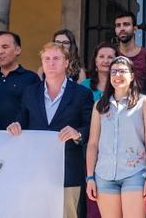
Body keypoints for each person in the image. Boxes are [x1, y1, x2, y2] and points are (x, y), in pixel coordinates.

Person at [7, 42, 94, 218]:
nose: (51, 63)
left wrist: (78, 133)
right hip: (36, 173)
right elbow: (21, 121)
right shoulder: (30, 92)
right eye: (47, 59)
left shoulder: (82, 94)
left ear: (66, 62)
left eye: (56, 58)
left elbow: (91, 127)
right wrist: (14, 125)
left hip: (68, 173)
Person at [85, 56, 146, 218]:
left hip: (135, 174)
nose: (117, 75)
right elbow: (93, 143)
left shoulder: (144, 103)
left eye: (122, 71)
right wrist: (90, 177)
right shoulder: (100, 105)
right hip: (104, 175)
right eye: (114, 72)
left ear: (132, 75)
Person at [0, 31, 39, 129]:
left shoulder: (31, 78)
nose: (0, 52)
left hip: (22, 139)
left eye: (5, 47)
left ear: (17, 50)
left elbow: (37, 113)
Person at [113, 11, 146, 82]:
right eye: (118, 25)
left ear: (135, 29)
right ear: (115, 30)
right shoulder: (112, 54)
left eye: (126, 24)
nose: (122, 28)